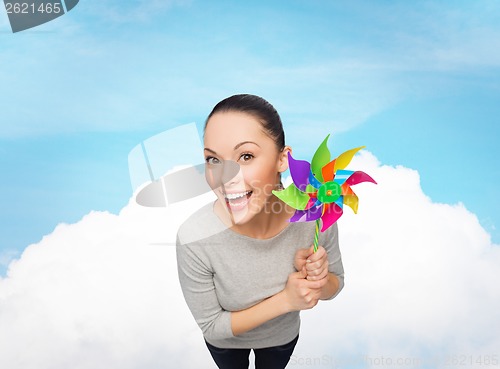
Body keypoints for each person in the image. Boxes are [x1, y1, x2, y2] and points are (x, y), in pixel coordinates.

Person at [176, 94, 344, 369]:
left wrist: (319, 281)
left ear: (282, 159)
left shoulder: (316, 215)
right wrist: (285, 300)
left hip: (281, 338)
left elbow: (335, 285)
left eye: (246, 156)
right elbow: (212, 327)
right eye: (213, 160)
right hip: (226, 345)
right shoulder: (193, 237)